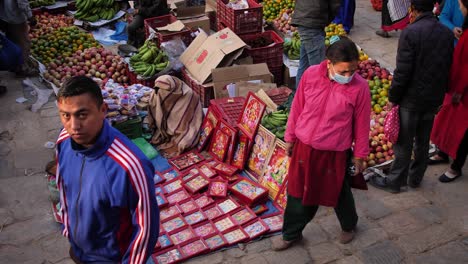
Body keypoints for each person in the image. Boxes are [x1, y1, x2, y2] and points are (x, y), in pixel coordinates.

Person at [271, 37, 371, 251]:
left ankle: (349, 225)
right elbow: (297, 107)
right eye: (343, 71)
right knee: (298, 193)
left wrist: (360, 155)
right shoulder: (310, 75)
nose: (348, 76)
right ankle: (291, 234)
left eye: (352, 71)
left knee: (339, 191)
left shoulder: (360, 88)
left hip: (335, 150)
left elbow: (362, 124)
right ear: (328, 63)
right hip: (304, 147)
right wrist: (290, 137)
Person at [55, 76, 159, 263]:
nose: (74, 126)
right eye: (65, 115)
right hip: (79, 250)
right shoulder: (64, 141)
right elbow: (63, 185)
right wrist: (68, 227)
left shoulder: (130, 165)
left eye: (82, 114)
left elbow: (147, 228)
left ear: (103, 110)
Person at [369, 0, 454, 193]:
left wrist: (393, 97)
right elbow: (447, 66)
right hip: (433, 97)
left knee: (403, 143)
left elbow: (403, 72)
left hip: (411, 98)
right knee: (423, 141)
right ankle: (415, 178)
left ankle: (395, 182)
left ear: (412, 9)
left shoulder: (411, 32)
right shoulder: (446, 33)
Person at [430, 0, 468, 182]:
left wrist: (459, 90)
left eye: (462, 4)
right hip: (455, 80)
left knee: (463, 128)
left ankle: (456, 166)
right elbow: (443, 17)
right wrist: (453, 28)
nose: (460, 7)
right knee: (445, 119)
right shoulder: (452, 2)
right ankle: (442, 152)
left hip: (463, 90)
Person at [290, 0, 341, 91]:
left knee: (304, 64)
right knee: (320, 70)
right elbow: (335, 4)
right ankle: (313, 100)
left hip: (305, 19)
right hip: (312, 21)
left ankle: (299, 97)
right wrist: (327, 19)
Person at [147, 75, 203, 158]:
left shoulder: (189, 95)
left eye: (165, 91)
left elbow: (189, 120)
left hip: (184, 126)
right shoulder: (157, 93)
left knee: (184, 142)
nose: (161, 93)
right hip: (166, 126)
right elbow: (154, 111)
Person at [0, 0, 37, 76]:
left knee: (12, 41)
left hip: (5, 16)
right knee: (24, 43)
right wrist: (30, 16)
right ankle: (23, 69)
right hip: (16, 17)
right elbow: (22, 2)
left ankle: (14, 66)